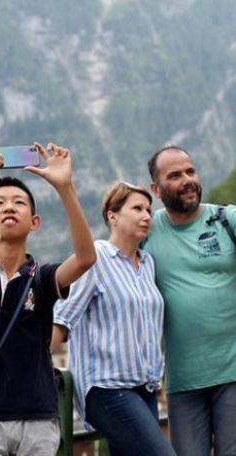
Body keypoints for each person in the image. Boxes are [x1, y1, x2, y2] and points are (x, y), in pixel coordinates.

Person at [0, 143, 96, 456]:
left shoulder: (43, 277)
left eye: (19, 202)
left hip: (37, 416)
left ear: (34, 222)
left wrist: (65, 187)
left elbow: (86, 257)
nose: (9, 206)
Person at [51, 181, 175, 456]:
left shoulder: (148, 264)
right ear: (112, 215)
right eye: (137, 208)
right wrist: (26, 365)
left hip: (145, 389)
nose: (146, 215)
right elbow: (62, 318)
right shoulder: (93, 258)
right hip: (106, 388)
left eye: (148, 209)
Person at [142, 145, 236, 456]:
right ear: (156, 189)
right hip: (183, 381)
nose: (187, 180)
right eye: (175, 175)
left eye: (190, 171)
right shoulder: (147, 230)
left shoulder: (227, 220)